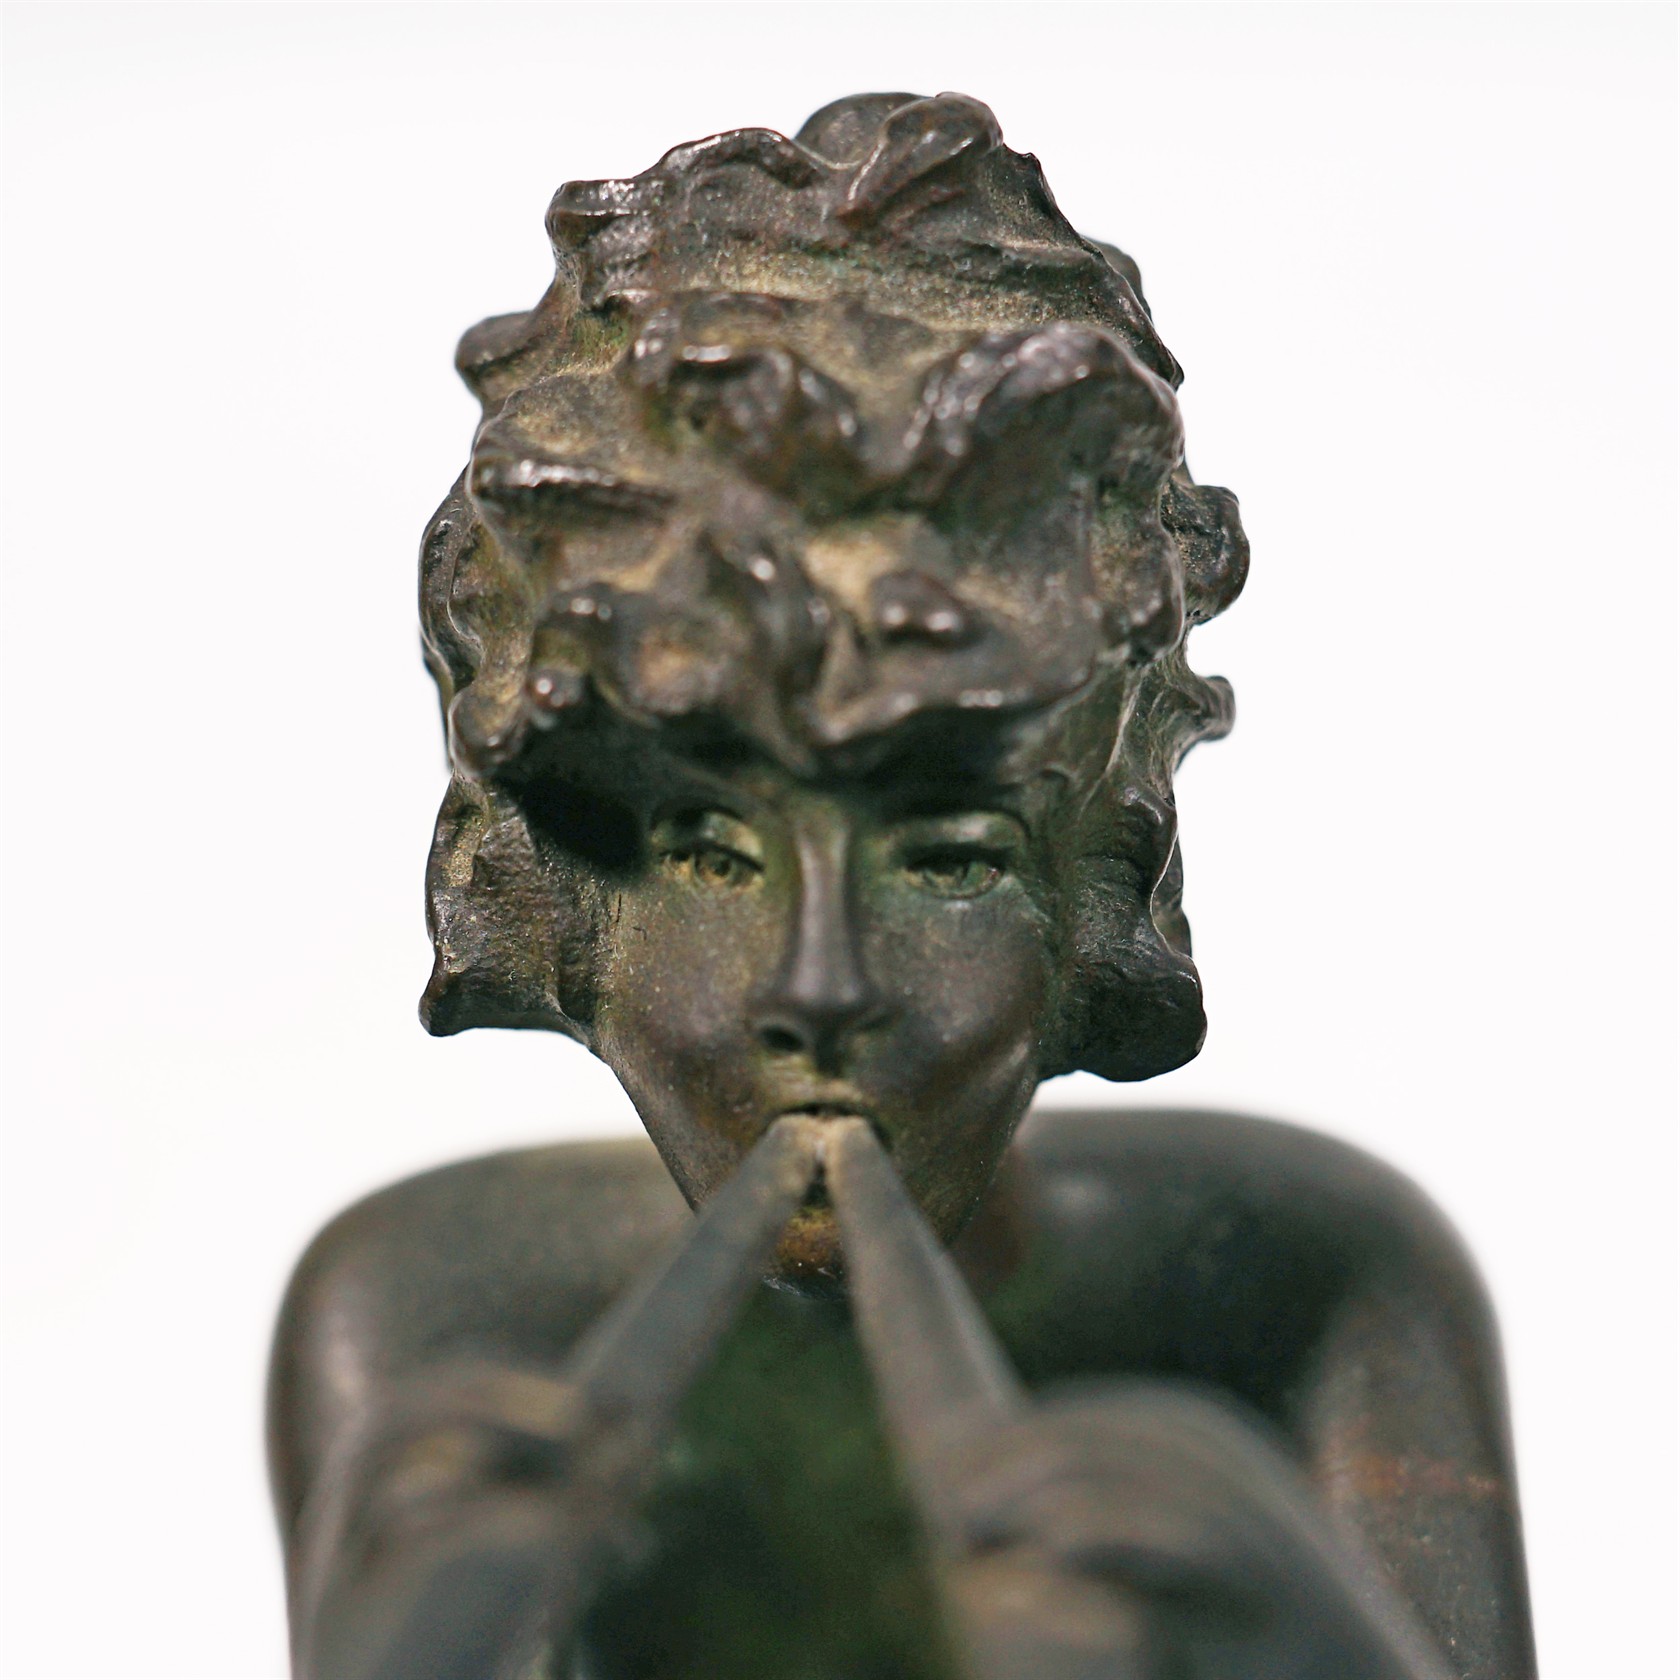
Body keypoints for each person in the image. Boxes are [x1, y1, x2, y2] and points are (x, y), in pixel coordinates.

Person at [270, 93, 1535, 1679]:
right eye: (710, 849)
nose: (820, 987)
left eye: (947, 857)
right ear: (550, 891)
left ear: (1098, 899)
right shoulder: (425, 1314)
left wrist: (1321, 1650)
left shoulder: (1299, 1276)